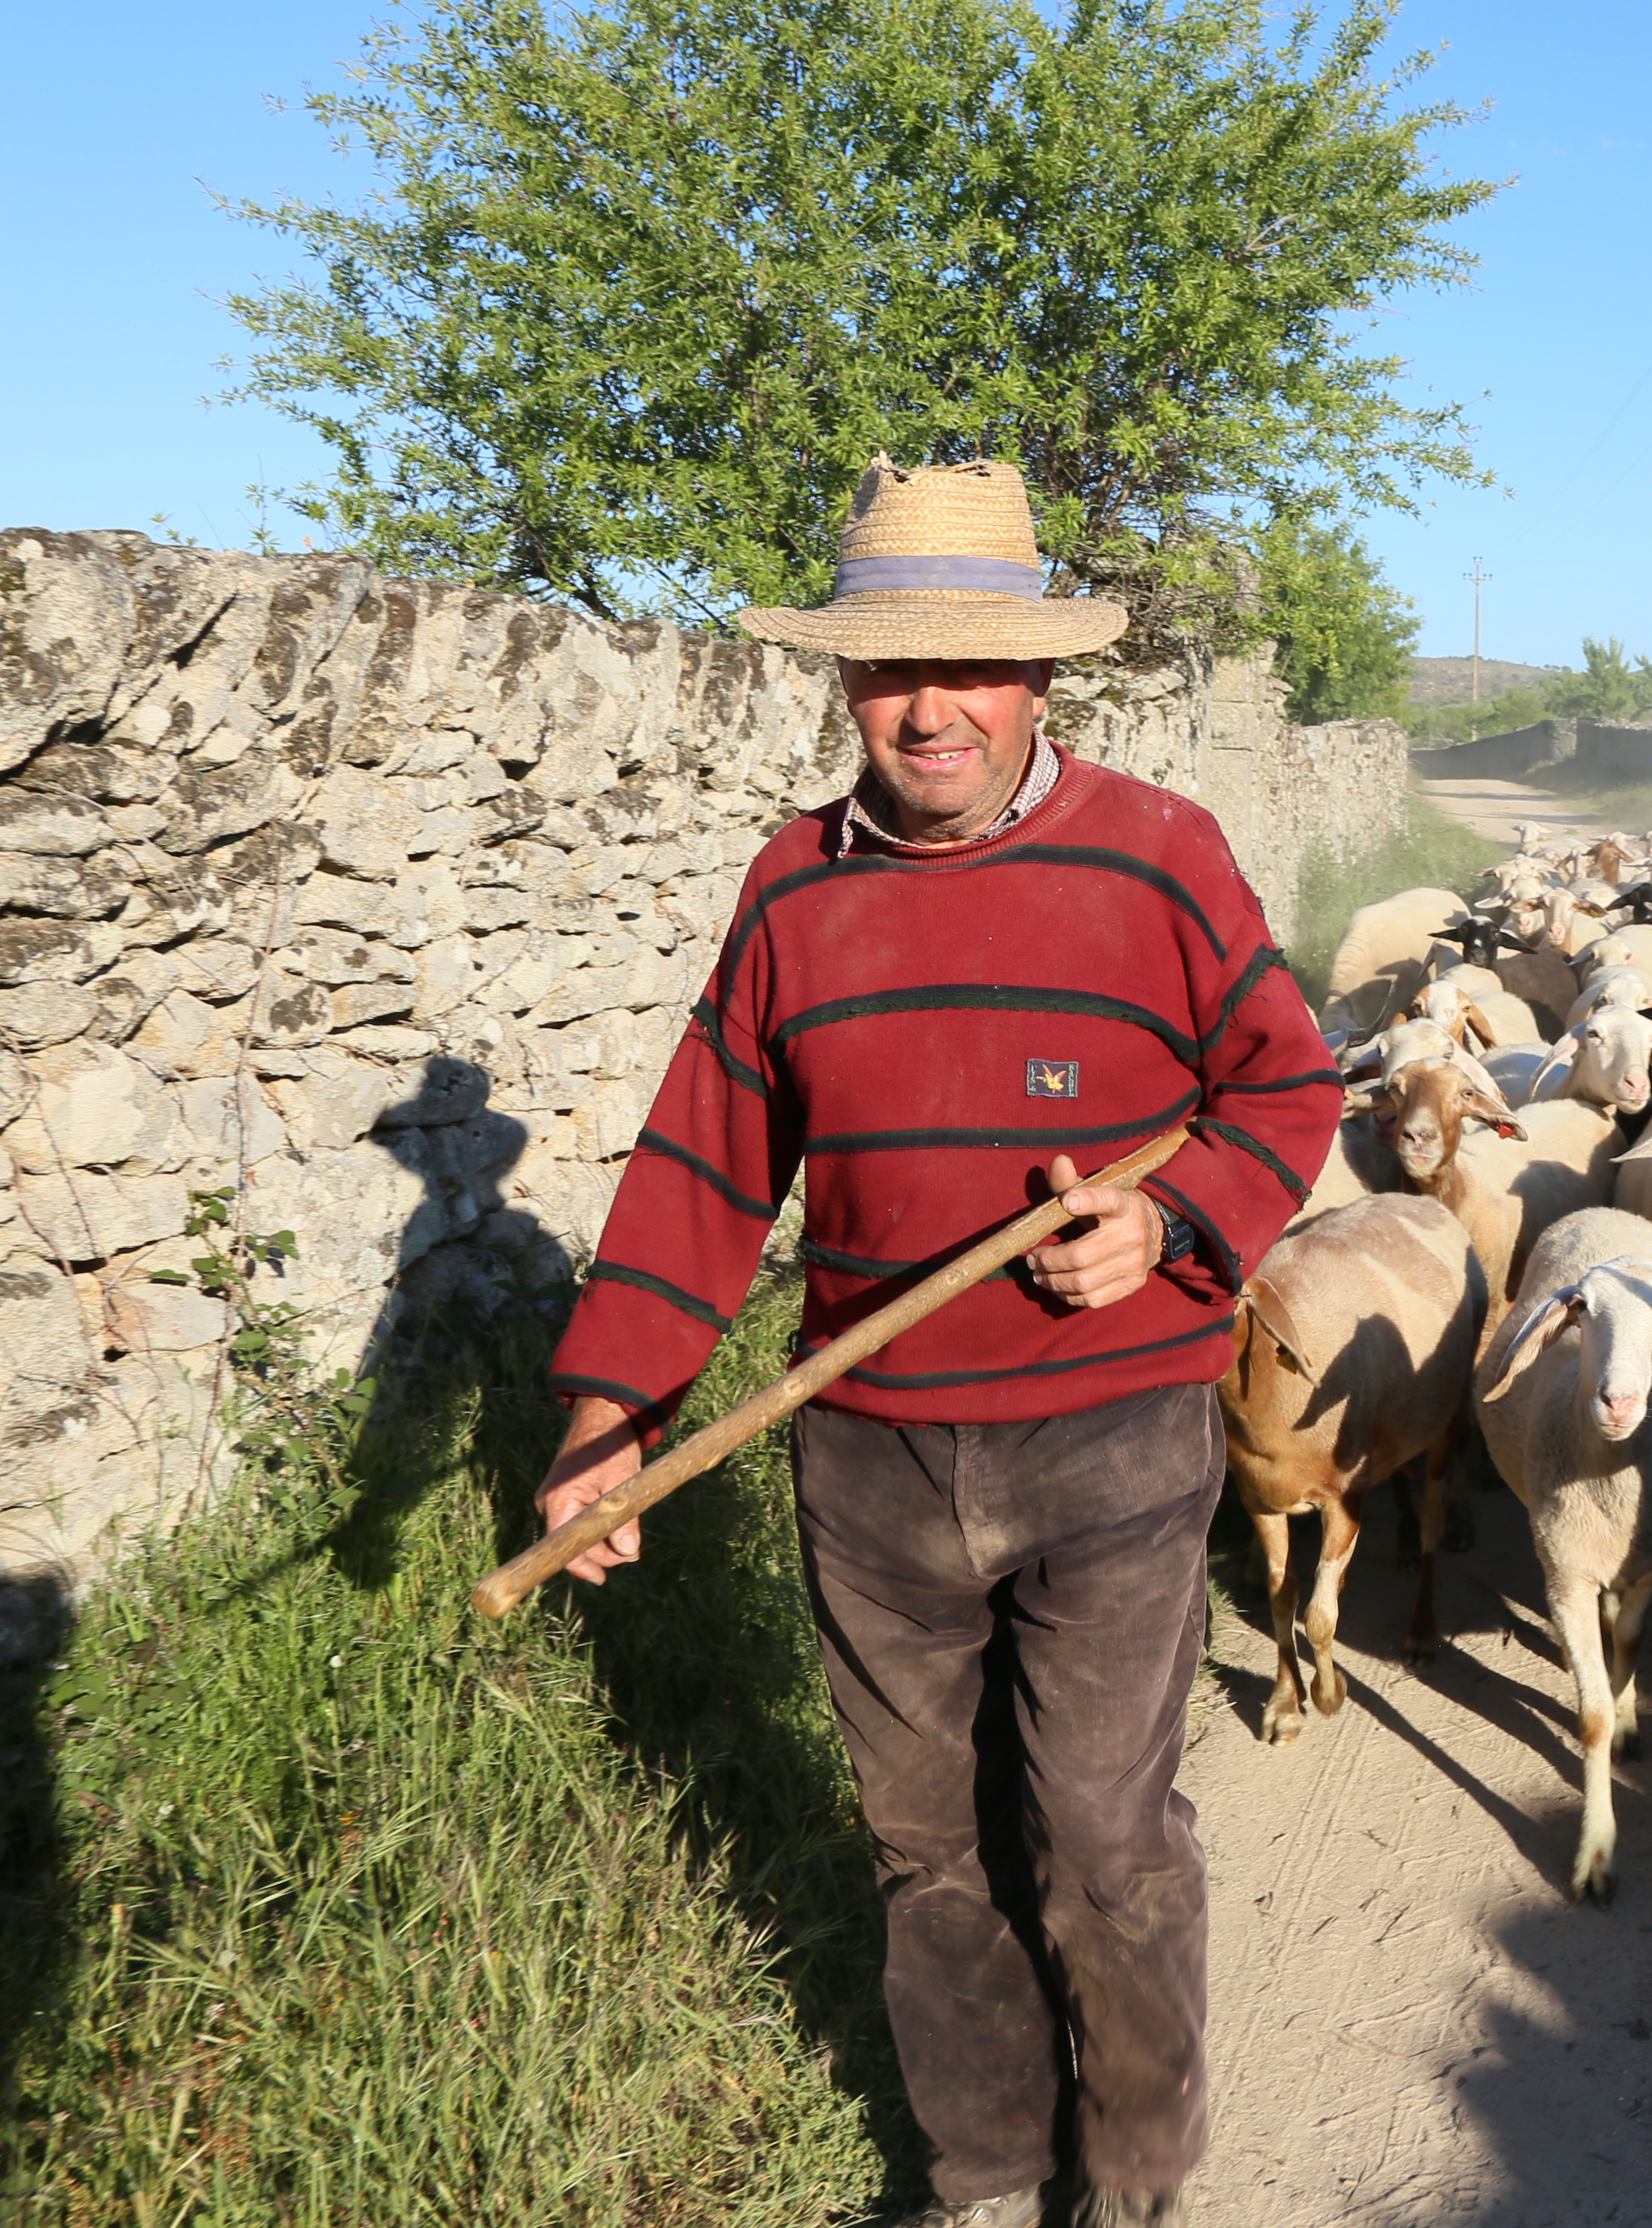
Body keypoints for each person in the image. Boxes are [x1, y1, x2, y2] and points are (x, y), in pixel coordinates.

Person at [533, 458, 1338, 2228]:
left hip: (1113, 1447)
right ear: (843, 683)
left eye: (970, 666)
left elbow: (1287, 1081)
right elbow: (705, 1160)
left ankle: (1132, 2187)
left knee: (1105, 1849)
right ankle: (986, 2174)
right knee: (930, 1856)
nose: (933, 705)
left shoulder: (1158, 856)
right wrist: (609, 1421)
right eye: (894, 668)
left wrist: (1167, 1219)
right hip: (873, 1458)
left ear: (1040, 677)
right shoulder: (795, 889)